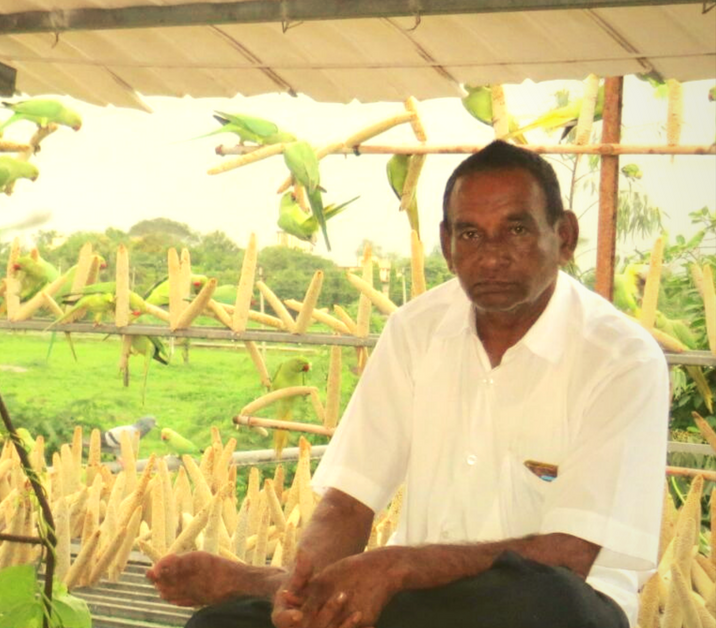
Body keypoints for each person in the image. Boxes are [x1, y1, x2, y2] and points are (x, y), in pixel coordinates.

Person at [147, 140, 669, 628]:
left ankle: (266, 582)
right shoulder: (416, 330)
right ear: (446, 243)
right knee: (219, 624)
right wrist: (303, 595)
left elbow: (573, 554)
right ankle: (279, 587)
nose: (490, 255)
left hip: (552, 605)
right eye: (470, 234)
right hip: (416, 602)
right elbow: (349, 499)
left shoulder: (620, 358)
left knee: (546, 602)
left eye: (516, 230)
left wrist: (397, 567)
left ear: (565, 237)